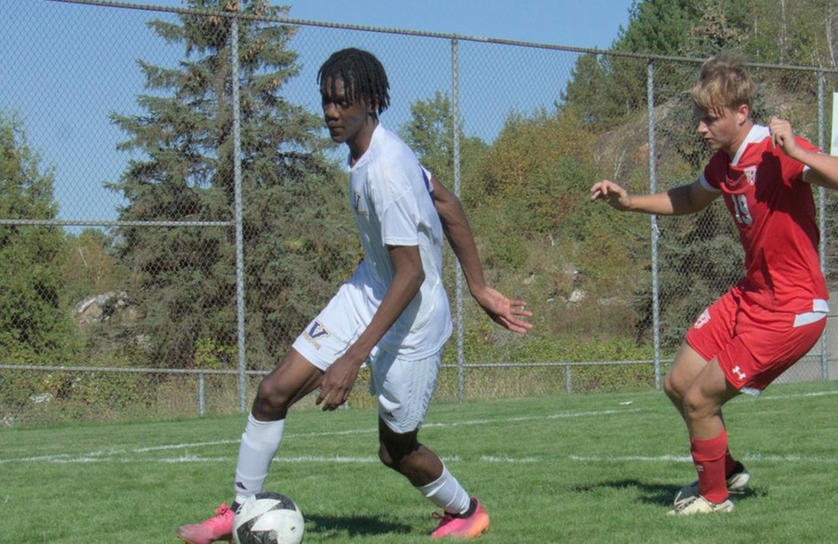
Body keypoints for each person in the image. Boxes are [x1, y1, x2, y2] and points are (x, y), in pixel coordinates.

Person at [176, 47, 532, 542]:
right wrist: (477, 286)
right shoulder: (371, 152)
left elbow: (410, 277)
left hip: (413, 321)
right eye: (325, 101)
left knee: (396, 451)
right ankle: (237, 510)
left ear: (370, 101)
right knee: (272, 393)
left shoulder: (387, 170)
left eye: (341, 102)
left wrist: (350, 359)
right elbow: (446, 201)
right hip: (370, 291)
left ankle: (468, 510)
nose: (330, 112)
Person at [590, 52, 838, 516]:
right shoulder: (726, 164)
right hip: (753, 295)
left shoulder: (775, 151)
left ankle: (714, 499)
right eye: (701, 118)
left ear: (742, 113)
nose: (702, 128)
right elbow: (688, 197)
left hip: (793, 309)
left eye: (711, 118)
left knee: (701, 399)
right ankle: (725, 471)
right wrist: (630, 203)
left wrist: (801, 152)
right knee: (679, 383)